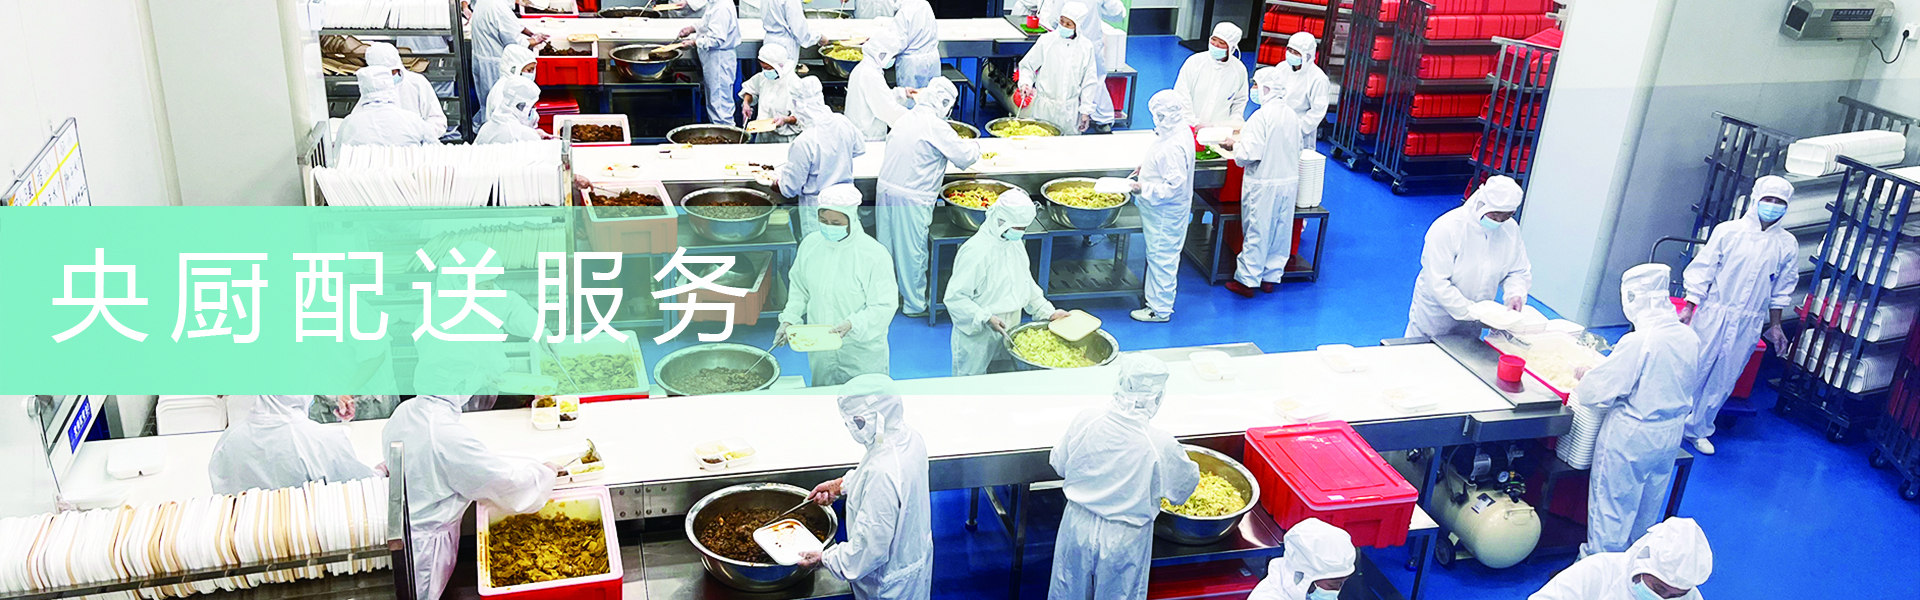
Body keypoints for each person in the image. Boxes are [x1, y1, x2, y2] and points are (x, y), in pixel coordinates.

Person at [1571, 264, 1701, 557]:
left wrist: (1585, 376)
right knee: (1646, 510)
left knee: (1611, 511)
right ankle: (1634, 569)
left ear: (1633, 298)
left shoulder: (1641, 341)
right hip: (1670, 433)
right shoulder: (1688, 336)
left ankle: (1599, 572)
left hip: (1633, 435)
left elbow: (1596, 392)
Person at [1047, 354, 1202, 599]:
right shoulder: (1159, 444)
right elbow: (1182, 489)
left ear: (1120, 384)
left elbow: (1059, 463)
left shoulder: (1087, 420)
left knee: (1067, 591)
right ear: (1158, 397)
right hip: (1124, 539)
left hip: (1077, 525)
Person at [383, 394, 557, 600]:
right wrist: (545, 474)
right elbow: (507, 487)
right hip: (425, 549)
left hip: (410, 530)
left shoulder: (405, 410)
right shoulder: (445, 434)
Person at [1679, 176, 1797, 456]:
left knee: (1724, 377)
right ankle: (1670, 423)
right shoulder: (1729, 231)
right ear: (1756, 199)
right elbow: (1704, 269)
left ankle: (1698, 429)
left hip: (1749, 320)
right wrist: (1689, 306)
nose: (1772, 206)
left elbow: (1781, 288)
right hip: (1714, 311)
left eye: (1779, 202)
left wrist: (1776, 325)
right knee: (1693, 367)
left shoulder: (1787, 244)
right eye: (1768, 199)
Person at [795, 375, 933, 599]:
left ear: (878, 417)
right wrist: (840, 485)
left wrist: (825, 558)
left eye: (857, 421)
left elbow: (870, 549)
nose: (852, 427)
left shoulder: (883, 472)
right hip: (910, 557)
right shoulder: (906, 437)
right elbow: (881, 474)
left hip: (888, 585)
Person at [876, 78, 980, 318]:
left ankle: (886, 299)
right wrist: (976, 146)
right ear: (945, 104)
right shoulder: (936, 126)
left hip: (886, 189)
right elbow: (965, 158)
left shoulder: (906, 118)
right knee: (912, 253)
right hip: (911, 197)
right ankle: (914, 305)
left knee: (886, 248)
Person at [777, 185, 900, 386]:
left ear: (851, 218)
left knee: (863, 398)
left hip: (859, 349)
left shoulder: (873, 255)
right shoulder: (811, 245)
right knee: (824, 396)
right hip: (821, 347)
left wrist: (853, 324)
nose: (828, 227)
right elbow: (800, 288)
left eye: (836, 223)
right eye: (823, 221)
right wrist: (789, 319)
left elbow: (884, 306)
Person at [944, 191, 1069, 376]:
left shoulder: (1014, 244)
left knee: (1002, 381)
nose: (1020, 232)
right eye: (1017, 227)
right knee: (971, 384)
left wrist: (1048, 312)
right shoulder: (975, 251)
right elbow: (955, 298)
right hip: (978, 335)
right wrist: (985, 318)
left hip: (1010, 328)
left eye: (1023, 227)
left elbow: (1025, 284)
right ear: (1000, 220)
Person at [410, 241, 542, 399]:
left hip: (489, 386)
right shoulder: (437, 317)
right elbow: (439, 373)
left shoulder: (478, 293)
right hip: (453, 398)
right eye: (486, 285)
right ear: (462, 280)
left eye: (492, 282)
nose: (492, 288)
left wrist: (540, 330)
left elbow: (511, 306)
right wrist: (478, 379)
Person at [1406, 175, 1531, 338]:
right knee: (1423, 351)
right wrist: (1475, 312)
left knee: (1467, 350)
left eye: (1506, 216)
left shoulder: (1510, 230)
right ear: (1482, 204)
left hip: (1474, 322)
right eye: (1494, 215)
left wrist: (1515, 294)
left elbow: (1517, 271)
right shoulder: (1447, 228)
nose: (1499, 221)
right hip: (1436, 317)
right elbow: (1437, 283)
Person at [1218, 66, 1303, 298]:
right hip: (1288, 182)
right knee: (1280, 231)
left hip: (1263, 183)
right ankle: (1270, 277)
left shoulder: (1261, 117)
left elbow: (1249, 155)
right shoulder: (1291, 114)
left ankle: (1247, 281)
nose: (1254, 89)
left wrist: (1234, 146)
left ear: (1267, 88)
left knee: (1258, 231)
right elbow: (1298, 148)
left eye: (1256, 84)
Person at [207, 395, 375, 495]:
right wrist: (381, 471)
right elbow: (362, 490)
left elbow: (223, 495)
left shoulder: (229, 439)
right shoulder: (324, 442)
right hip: (310, 539)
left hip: (250, 540)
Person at [1127, 91, 1198, 323]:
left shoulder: (1174, 145)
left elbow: (1173, 188)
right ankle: (1157, 305)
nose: (1155, 119)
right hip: (1162, 211)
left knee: (1162, 258)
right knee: (1159, 256)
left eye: (1158, 115)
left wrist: (1142, 188)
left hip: (1165, 213)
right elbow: (1163, 161)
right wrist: (1147, 167)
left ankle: (1159, 310)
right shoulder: (1177, 130)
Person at [774, 78, 867, 240]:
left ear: (797, 105)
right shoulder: (842, 121)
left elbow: (790, 188)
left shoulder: (804, 142)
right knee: (848, 248)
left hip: (818, 212)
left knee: (819, 251)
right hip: (845, 204)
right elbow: (859, 149)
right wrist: (836, 159)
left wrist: (775, 182)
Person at [1530, 517, 1712, 600]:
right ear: (1644, 564)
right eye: (1659, 588)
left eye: (1675, 596)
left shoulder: (1688, 594)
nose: (1663, 598)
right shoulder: (1597, 571)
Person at [1016, 2, 1101, 134]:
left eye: (1068, 24)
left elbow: (1089, 81)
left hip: (1070, 111)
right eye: (1062, 21)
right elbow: (1028, 65)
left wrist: (1085, 111)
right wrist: (1025, 83)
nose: (1063, 26)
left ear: (1077, 26)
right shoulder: (1047, 41)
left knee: (1067, 144)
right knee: (1041, 140)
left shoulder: (1085, 47)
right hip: (1045, 108)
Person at [1039, 0, 1123, 132]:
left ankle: (1078, 115)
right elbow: (1117, 11)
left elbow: (1054, 19)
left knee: (1070, 79)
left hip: (1070, 42)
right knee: (1095, 80)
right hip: (1090, 40)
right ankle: (1102, 119)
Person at [471, 0, 547, 126]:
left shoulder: (489, 3)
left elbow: (508, 22)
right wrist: (534, 41)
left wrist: (529, 32)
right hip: (496, 63)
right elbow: (515, 43)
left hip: (484, 59)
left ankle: (482, 128)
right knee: (499, 105)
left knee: (486, 104)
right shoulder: (498, 6)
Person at [1246, 518, 1356, 600]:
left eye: (1341, 583)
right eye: (1332, 585)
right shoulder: (1267, 597)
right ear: (1303, 576)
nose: (1336, 591)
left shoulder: (1307, 592)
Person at [338, 66, 444, 146]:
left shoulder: (349, 124)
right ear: (391, 87)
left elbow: (337, 157)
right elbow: (436, 151)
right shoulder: (413, 121)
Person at [1173, 22, 1250, 127]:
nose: (1216, 45)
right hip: (1188, 126)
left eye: (1222, 43)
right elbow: (1181, 93)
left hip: (1218, 130)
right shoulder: (1195, 62)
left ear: (1231, 47)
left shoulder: (1238, 70)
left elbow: (1240, 101)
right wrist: (1193, 122)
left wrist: (1232, 123)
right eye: (1213, 39)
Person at [677, 0, 741, 126]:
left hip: (719, 60)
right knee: (714, 101)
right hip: (713, 58)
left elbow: (716, 40)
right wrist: (692, 28)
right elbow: (707, 21)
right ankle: (719, 131)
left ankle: (726, 134)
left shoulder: (722, 8)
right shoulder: (715, 3)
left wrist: (694, 42)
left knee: (720, 105)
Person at [364, 42, 448, 135]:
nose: (389, 76)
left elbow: (438, 121)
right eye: (382, 73)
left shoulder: (417, 83)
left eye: (392, 71)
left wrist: (420, 134)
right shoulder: (371, 89)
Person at [844, 27, 911, 141]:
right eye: (892, 56)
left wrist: (902, 93)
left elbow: (879, 96)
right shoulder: (870, 75)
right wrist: (916, 119)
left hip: (861, 132)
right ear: (882, 54)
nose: (893, 60)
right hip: (869, 138)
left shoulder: (863, 68)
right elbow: (887, 110)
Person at [741, 45, 806, 143]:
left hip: (784, 139)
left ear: (778, 66)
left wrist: (785, 119)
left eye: (768, 68)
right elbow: (750, 89)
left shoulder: (795, 84)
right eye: (763, 68)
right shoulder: (764, 78)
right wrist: (746, 103)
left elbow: (802, 118)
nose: (766, 72)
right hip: (763, 135)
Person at [1278, 32, 1331, 147]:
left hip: (1299, 134)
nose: (1291, 54)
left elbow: (1317, 111)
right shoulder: (1282, 68)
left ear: (1307, 55)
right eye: (1290, 50)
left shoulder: (1318, 79)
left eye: (1296, 52)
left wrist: (1296, 130)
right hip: (1276, 127)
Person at [473, 76, 546, 144]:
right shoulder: (524, 135)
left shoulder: (486, 128)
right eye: (532, 106)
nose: (534, 111)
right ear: (521, 107)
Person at [892, 0, 942, 89]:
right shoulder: (925, 5)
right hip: (932, 60)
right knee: (932, 94)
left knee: (911, 95)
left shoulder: (904, 12)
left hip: (911, 66)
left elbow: (897, 44)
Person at [761, 0, 827, 58]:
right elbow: (799, 30)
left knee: (769, 68)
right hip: (784, 47)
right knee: (784, 68)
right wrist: (818, 38)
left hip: (768, 42)